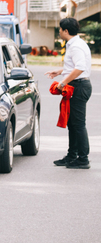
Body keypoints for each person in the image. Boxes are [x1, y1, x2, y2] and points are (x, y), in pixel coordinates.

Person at [46, 17, 92, 169]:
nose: (59, 32)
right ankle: (72, 156)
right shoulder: (74, 44)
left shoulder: (76, 46)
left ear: (65, 31)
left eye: (60, 29)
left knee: (78, 124)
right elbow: (73, 67)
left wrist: (63, 83)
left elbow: (80, 68)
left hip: (79, 87)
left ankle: (83, 159)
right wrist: (60, 72)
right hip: (76, 86)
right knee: (72, 124)